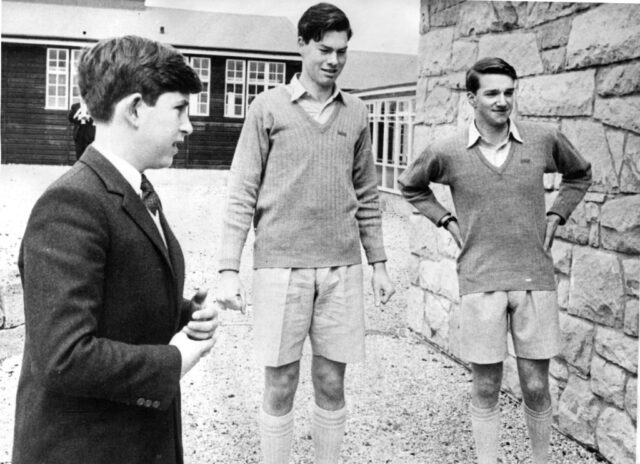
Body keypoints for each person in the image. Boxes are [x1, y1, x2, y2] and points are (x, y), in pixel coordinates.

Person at [13, 35, 219, 464]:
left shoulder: (132, 188)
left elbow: (113, 298)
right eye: (179, 109)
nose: (189, 126)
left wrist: (183, 312)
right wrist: (176, 359)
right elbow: (64, 356)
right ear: (135, 110)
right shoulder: (71, 203)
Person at [217, 3, 395, 463]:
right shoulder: (267, 108)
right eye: (323, 49)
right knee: (279, 383)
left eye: (342, 51)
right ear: (301, 45)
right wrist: (227, 270)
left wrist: (378, 263)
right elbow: (241, 192)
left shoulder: (356, 113)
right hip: (281, 267)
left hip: (340, 267)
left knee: (332, 381)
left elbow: (367, 193)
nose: (333, 60)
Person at [399, 57, 592, 464]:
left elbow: (580, 174)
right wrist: (448, 221)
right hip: (480, 280)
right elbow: (411, 185)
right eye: (492, 93)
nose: (503, 101)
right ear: (472, 98)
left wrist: (557, 216)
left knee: (536, 384)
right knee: (486, 386)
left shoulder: (542, 139)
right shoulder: (447, 150)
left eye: (509, 92)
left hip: (533, 278)